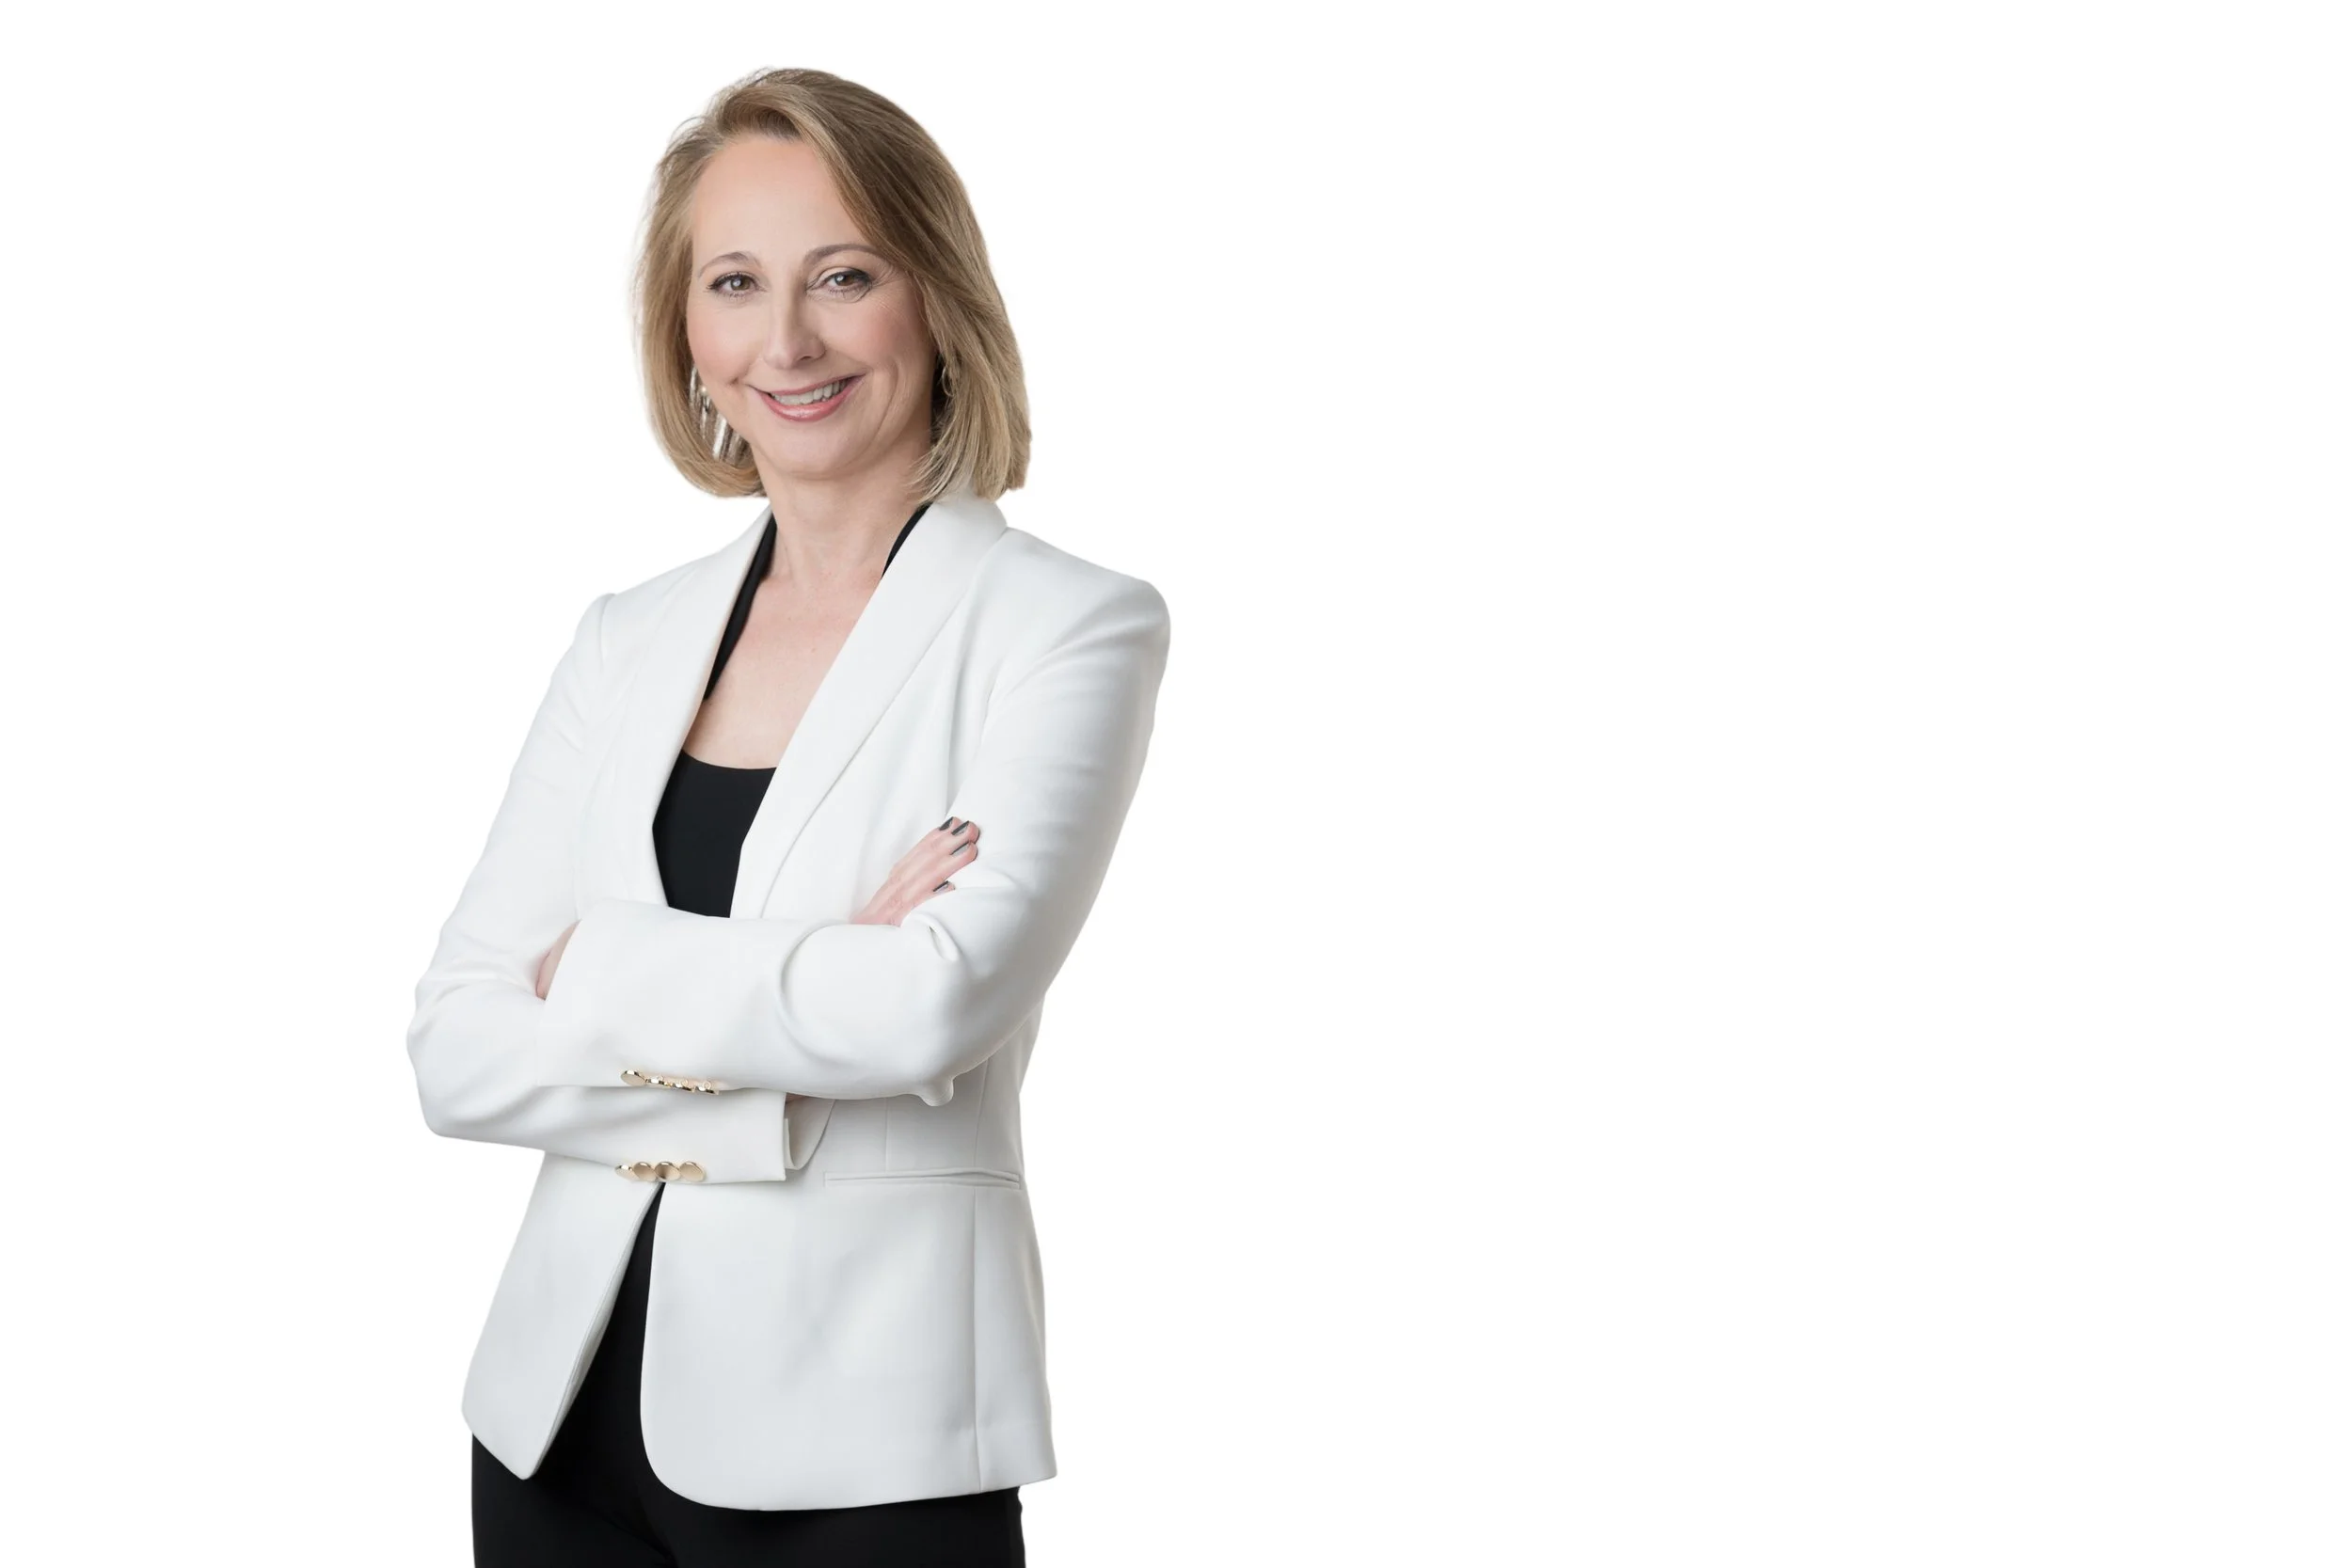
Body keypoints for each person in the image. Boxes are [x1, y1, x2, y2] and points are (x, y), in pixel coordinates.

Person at [404, 66, 1171, 1566]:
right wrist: (807, 1009)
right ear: (685, 336)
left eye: (844, 276)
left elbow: (928, 1009)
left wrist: (596, 971)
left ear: (935, 299)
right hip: (555, 1428)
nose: (789, 340)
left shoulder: (1068, 626)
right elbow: (454, 1047)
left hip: (866, 1446)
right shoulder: (626, 637)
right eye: (736, 284)